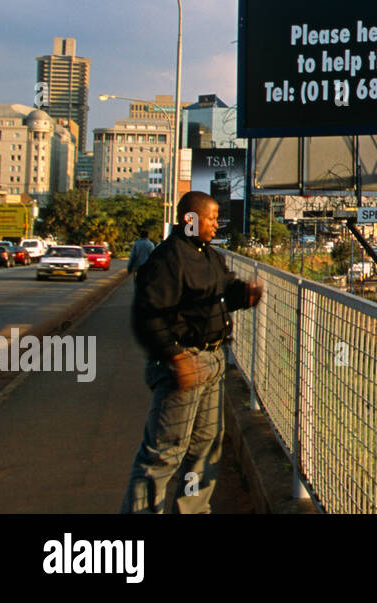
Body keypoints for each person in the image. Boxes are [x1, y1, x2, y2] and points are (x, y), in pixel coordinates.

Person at [120, 191, 264, 514]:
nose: (217, 224)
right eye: (211, 218)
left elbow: (225, 291)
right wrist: (175, 356)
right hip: (183, 366)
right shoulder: (167, 259)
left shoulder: (210, 256)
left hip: (211, 363)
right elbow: (149, 315)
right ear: (190, 220)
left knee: (205, 448)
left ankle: (192, 510)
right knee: (163, 454)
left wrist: (247, 293)